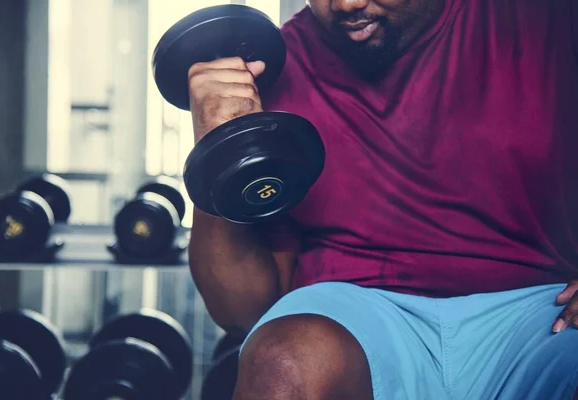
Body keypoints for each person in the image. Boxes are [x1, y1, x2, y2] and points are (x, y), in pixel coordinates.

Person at [187, 0, 578, 398]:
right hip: (354, 319)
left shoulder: (545, 19)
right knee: (281, 364)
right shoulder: (272, 73)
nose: (345, 4)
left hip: (541, 311)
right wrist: (217, 150)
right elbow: (241, 314)